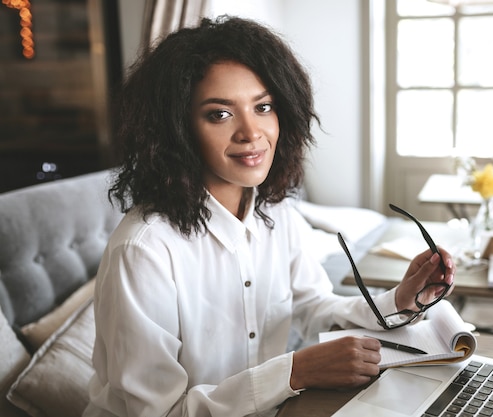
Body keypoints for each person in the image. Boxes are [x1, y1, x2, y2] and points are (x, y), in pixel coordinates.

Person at [83, 15, 456, 417]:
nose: (251, 132)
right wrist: (294, 373)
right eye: (219, 114)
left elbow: (314, 304)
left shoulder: (274, 211)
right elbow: (161, 413)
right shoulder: (144, 251)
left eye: (263, 106)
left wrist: (398, 301)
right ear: (177, 129)